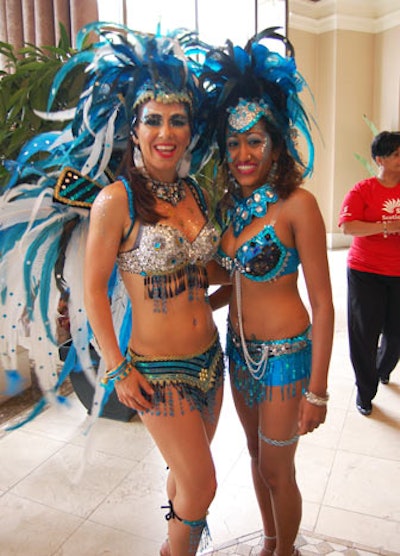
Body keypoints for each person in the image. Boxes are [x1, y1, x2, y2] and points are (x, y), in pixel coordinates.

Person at [83, 31, 226, 556]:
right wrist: (117, 367)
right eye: (154, 120)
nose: (167, 132)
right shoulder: (114, 202)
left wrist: (248, 270)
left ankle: (173, 544)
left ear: (190, 129)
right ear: (135, 130)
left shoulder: (196, 192)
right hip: (157, 372)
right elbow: (93, 289)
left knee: (183, 477)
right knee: (203, 485)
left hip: (211, 361)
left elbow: (207, 273)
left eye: (178, 120)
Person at [200, 30, 334, 556]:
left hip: (285, 358)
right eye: (233, 143)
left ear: (277, 143)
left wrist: (318, 391)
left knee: (279, 468)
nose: (242, 153)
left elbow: (324, 304)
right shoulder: (231, 207)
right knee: (256, 459)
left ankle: (286, 551)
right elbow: (236, 279)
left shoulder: (298, 205)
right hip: (239, 354)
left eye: (254, 140)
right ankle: (274, 540)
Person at [339, 131, 400, 416]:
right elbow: (348, 226)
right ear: (380, 159)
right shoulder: (363, 190)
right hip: (366, 271)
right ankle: (365, 391)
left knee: (396, 334)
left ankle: (382, 367)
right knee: (364, 333)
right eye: (397, 154)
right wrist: (388, 226)